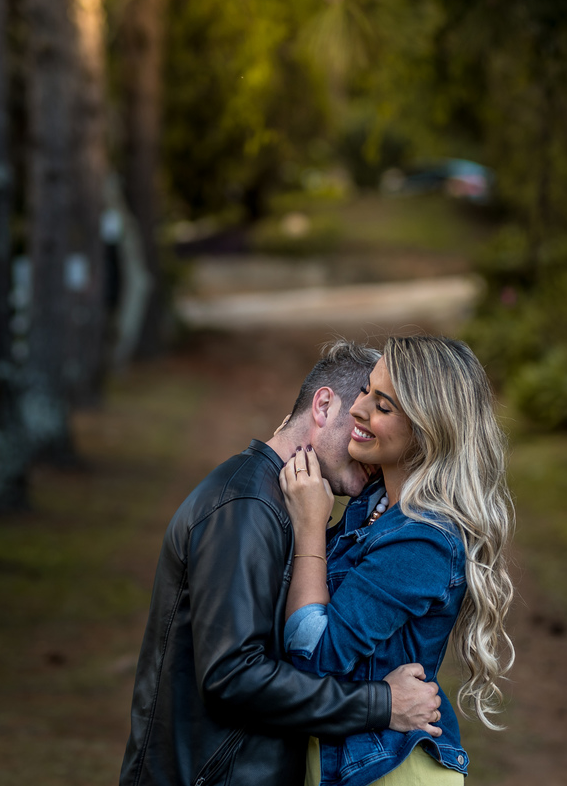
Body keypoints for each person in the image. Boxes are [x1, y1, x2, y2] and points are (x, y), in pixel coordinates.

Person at [118, 340, 444, 786]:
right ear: (324, 406)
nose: (364, 440)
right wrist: (381, 704)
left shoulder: (292, 504)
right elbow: (232, 676)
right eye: (358, 416)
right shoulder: (246, 505)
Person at [279, 335, 515, 786]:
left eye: (383, 406)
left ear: (427, 429)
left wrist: (311, 528)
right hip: (339, 759)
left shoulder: (423, 541)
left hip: (390, 771)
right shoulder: (375, 504)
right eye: (367, 390)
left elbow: (317, 657)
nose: (357, 409)